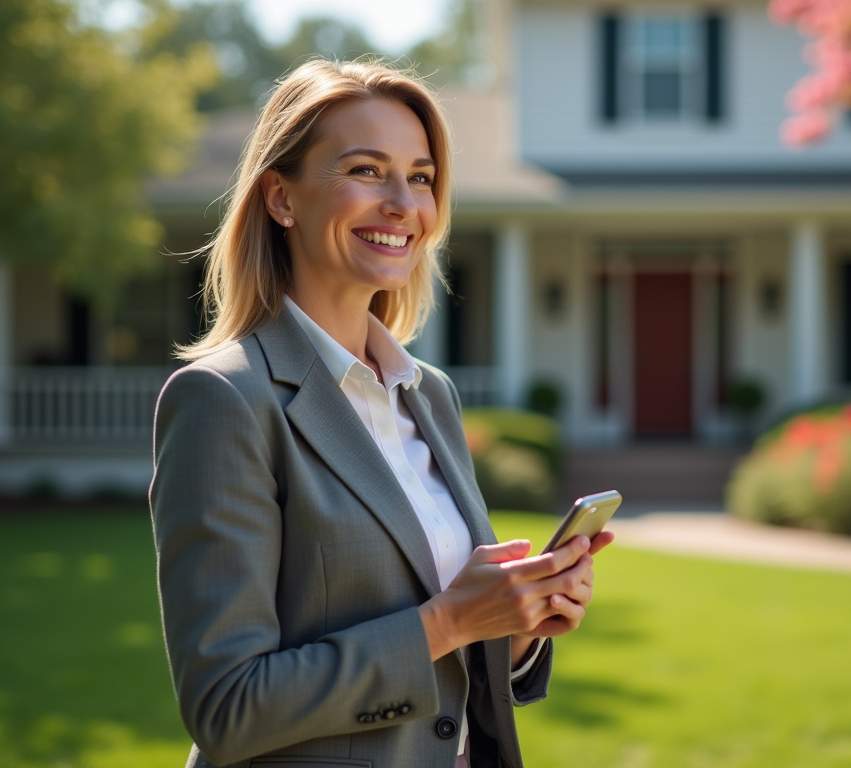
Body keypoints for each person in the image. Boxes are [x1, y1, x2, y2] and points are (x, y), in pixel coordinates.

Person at [149, 58, 612, 768]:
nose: (403, 204)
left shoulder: (429, 394)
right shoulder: (225, 400)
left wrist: (517, 625)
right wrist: (450, 619)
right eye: (366, 170)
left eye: (421, 178)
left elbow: (448, 662)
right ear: (281, 197)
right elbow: (228, 707)